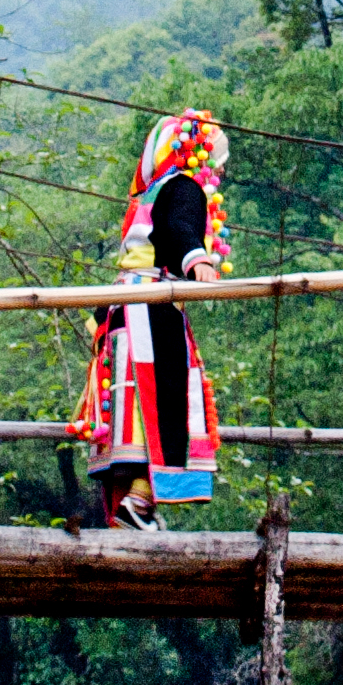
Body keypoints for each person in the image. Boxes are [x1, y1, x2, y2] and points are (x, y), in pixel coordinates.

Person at [76, 107, 228, 524]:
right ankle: (140, 502)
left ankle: (127, 508)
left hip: (124, 309)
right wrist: (198, 260)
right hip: (151, 310)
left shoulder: (149, 192)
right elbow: (180, 229)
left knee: (130, 407)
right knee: (159, 401)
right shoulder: (184, 187)